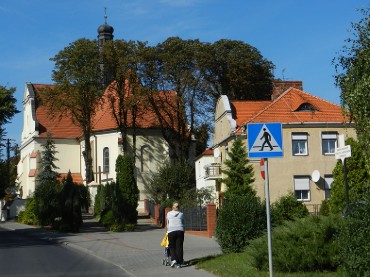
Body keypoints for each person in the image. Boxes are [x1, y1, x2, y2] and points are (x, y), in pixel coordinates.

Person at [166, 202, 185, 268]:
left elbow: (168, 223)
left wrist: (167, 232)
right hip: (180, 231)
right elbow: (183, 223)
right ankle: (179, 262)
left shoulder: (168, 214)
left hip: (171, 231)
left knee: (172, 246)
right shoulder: (181, 214)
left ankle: (174, 259)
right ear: (178, 207)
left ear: (172, 207)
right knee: (179, 247)